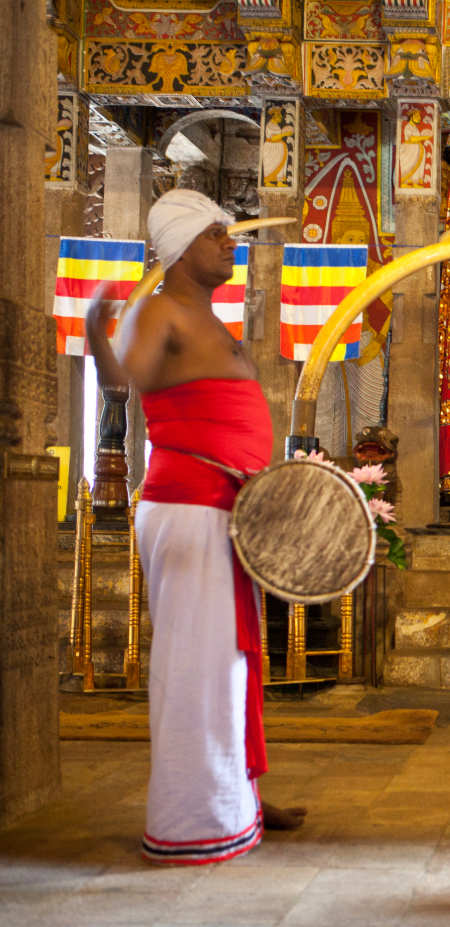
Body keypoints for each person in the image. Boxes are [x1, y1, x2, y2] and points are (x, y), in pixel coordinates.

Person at [86, 189, 306, 864]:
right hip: (189, 507)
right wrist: (100, 331)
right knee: (196, 667)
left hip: (227, 513)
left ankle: (234, 796)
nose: (230, 244)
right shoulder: (159, 311)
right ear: (182, 247)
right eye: (218, 235)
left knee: (229, 666)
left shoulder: (208, 318)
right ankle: (193, 820)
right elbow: (124, 378)